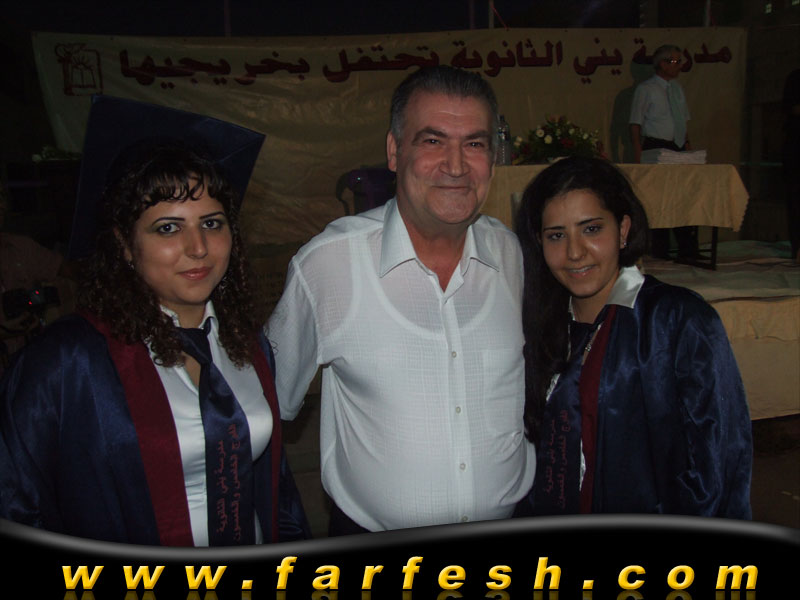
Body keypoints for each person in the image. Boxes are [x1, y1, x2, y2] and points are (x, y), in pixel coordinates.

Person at [0, 96, 310, 545]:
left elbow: (277, 489)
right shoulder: (66, 364)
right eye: (168, 228)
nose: (198, 248)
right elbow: (15, 503)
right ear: (125, 245)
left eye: (212, 223)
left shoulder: (247, 346)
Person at [267, 65, 535, 534]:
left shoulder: (508, 253)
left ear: (493, 159)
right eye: (432, 141)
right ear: (394, 151)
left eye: (474, 144)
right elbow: (269, 403)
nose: (456, 165)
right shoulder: (329, 265)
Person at [514, 156, 752, 518]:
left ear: (623, 229)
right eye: (557, 235)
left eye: (592, 229)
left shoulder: (676, 321)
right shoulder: (539, 323)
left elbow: (720, 460)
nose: (575, 252)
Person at [629, 43, 698, 260]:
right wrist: (639, 154)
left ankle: (688, 249)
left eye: (680, 61)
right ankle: (661, 249)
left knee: (682, 197)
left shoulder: (677, 89)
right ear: (662, 63)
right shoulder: (646, 89)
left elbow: (683, 121)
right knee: (660, 198)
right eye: (675, 61)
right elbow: (635, 123)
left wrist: (688, 149)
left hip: (678, 147)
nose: (679, 65)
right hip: (656, 147)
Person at [782, 68, 800, 263]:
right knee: (796, 200)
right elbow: (791, 107)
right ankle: (798, 247)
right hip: (796, 148)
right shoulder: (795, 78)